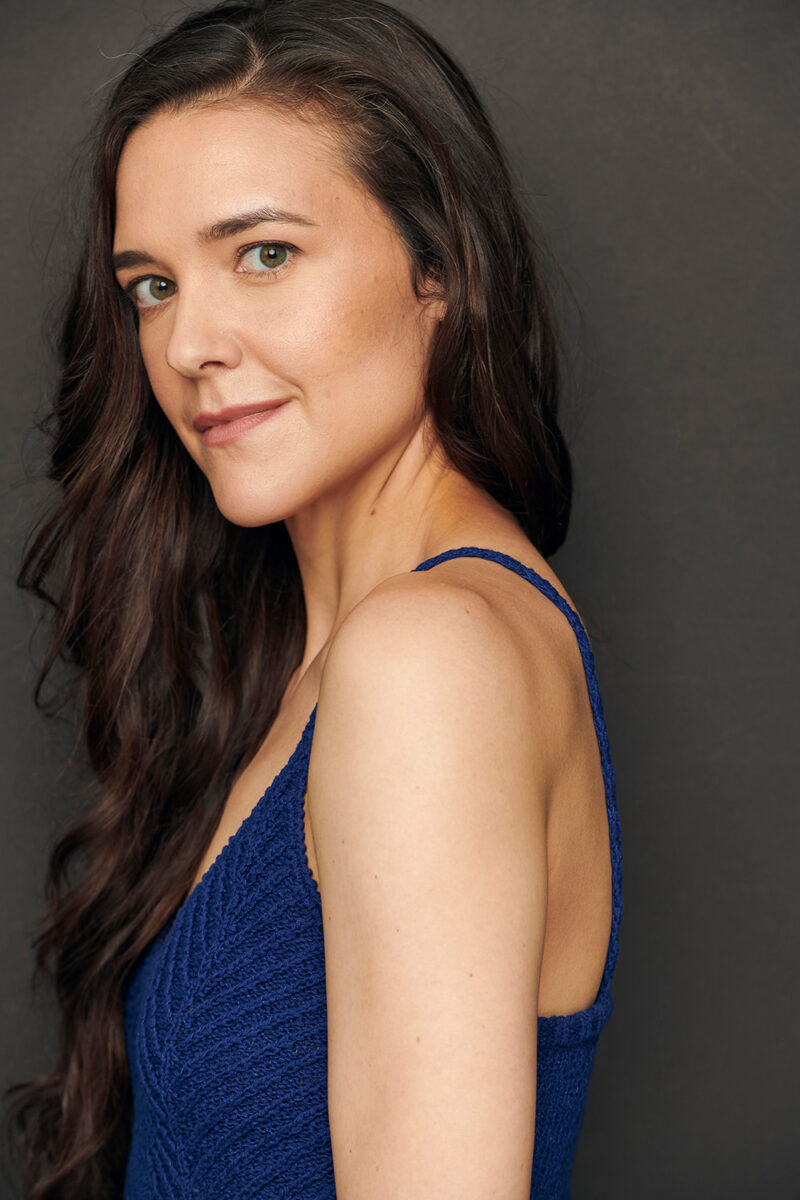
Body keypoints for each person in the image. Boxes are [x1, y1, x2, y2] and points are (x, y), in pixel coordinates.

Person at [6, 1, 623, 1196]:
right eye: (152, 285)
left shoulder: (427, 658)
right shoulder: (325, 654)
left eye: (264, 254)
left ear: (438, 265)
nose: (188, 344)